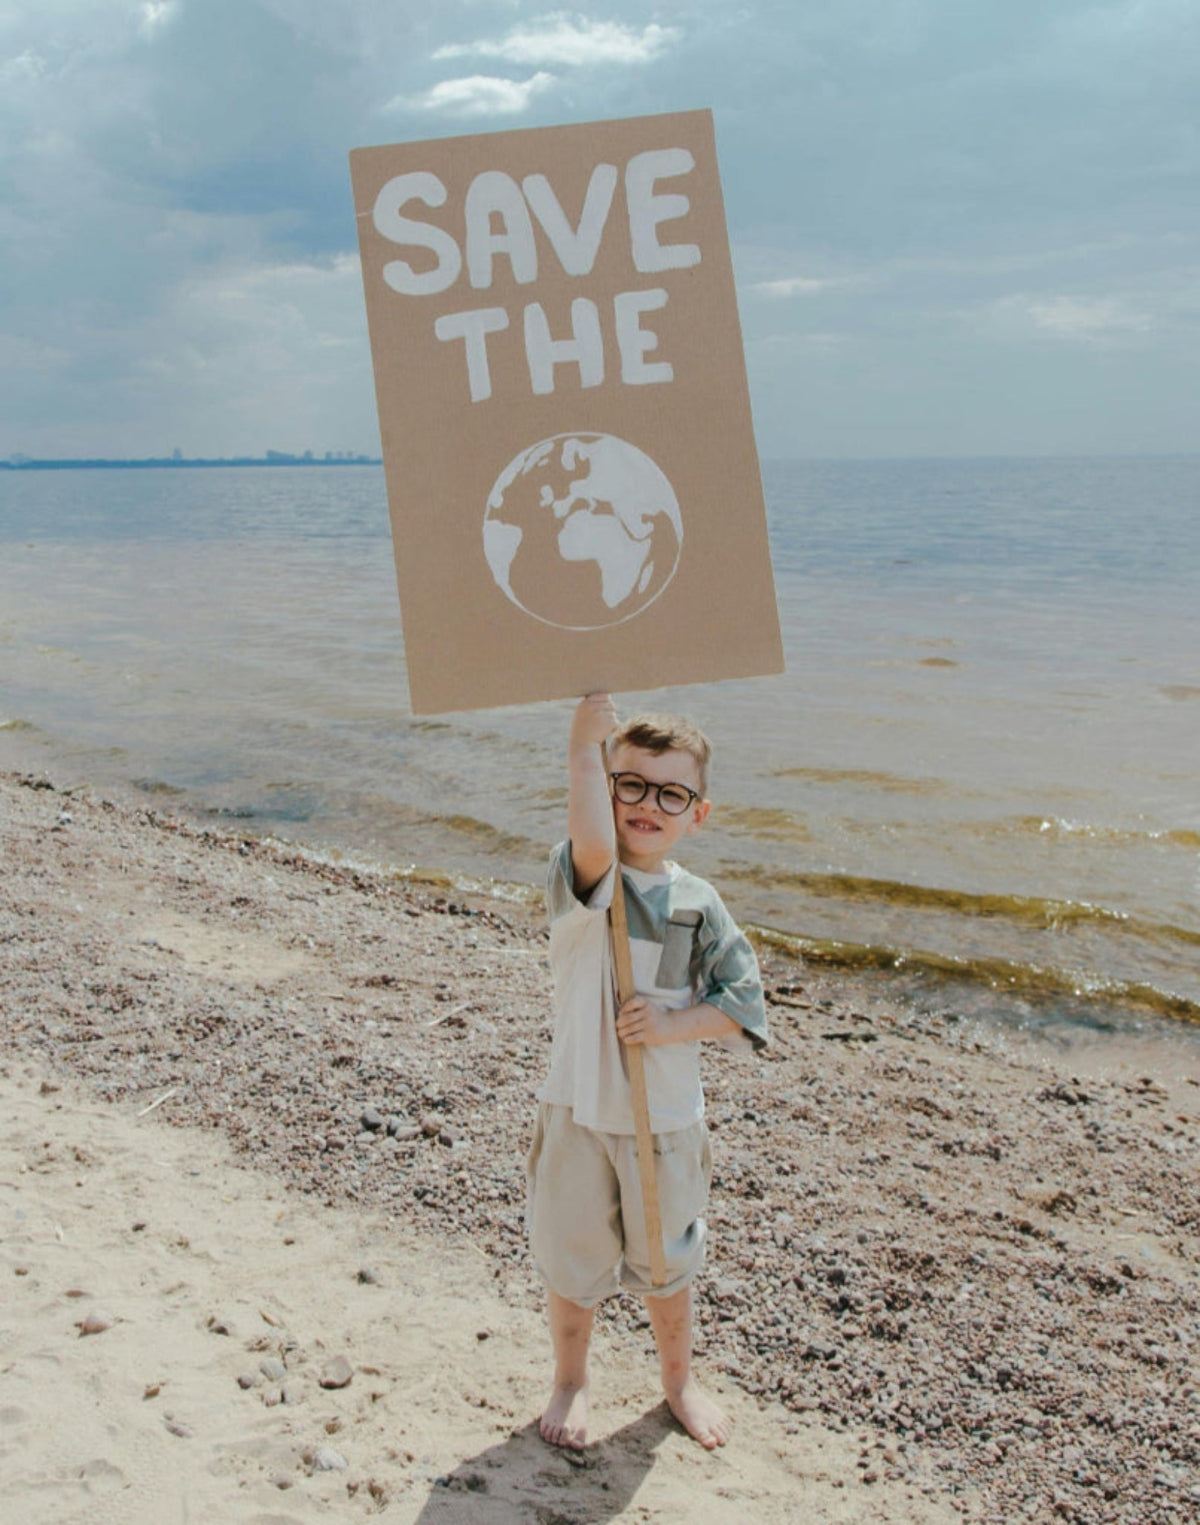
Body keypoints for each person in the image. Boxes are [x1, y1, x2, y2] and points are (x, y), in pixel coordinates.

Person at [526, 692, 768, 1451]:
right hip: (578, 1110)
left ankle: (677, 1381)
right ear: (607, 790)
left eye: (672, 793)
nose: (648, 805)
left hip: (664, 1120)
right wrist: (581, 748)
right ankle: (570, 1377)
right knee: (572, 1263)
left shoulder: (699, 903)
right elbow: (595, 835)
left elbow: (742, 1003)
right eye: (630, 784)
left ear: (697, 812)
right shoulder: (583, 882)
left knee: (667, 1266)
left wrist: (671, 1023)